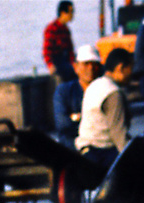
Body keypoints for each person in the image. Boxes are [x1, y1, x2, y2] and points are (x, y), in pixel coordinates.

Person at [75, 47, 133, 180]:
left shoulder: (96, 85)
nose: (132, 73)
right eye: (131, 68)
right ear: (120, 68)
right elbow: (119, 136)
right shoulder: (112, 93)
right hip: (100, 154)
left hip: (85, 149)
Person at [53, 44, 101, 148]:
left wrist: (77, 117)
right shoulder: (64, 91)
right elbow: (62, 124)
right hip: (72, 146)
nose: (91, 68)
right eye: (86, 64)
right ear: (76, 67)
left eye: (94, 64)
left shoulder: (104, 90)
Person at [42, 2, 76, 82]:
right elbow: (47, 50)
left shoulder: (66, 30)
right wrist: (50, 65)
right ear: (63, 13)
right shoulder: (52, 28)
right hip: (57, 62)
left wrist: (74, 63)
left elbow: (70, 50)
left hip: (66, 61)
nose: (72, 15)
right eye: (70, 12)